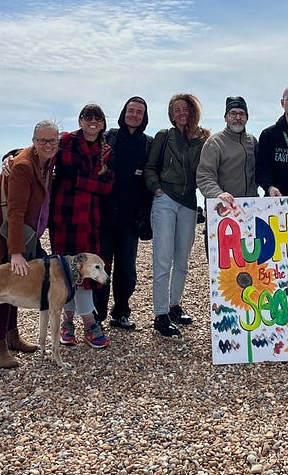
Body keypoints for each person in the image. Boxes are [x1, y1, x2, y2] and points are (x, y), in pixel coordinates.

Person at [0, 120, 59, 368]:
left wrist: (11, 153)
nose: (48, 145)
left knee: (13, 285)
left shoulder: (46, 160)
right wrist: (16, 252)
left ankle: (12, 336)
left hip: (16, 235)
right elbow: (15, 213)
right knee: (1, 290)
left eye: (53, 140)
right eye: (42, 140)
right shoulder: (23, 167)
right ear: (34, 141)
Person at [144, 93, 210, 338]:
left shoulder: (202, 138)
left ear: (193, 111)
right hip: (166, 199)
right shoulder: (164, 136)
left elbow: (206, 169)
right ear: (171, 114)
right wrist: (156, 188)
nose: (181, 113)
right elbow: (150, 167)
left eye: (185, 109)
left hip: (189, 202)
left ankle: (174, 306)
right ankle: (160, 314)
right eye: (176, 110)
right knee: (162, 258)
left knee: (182, 259)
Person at [51, 103, 114, 350]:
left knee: (86, 273)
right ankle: (75, 324)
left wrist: (76, 178)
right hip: (63, 218)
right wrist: (9, 157)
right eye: (88, 117)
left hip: (89, 219)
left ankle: (81, 323)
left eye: (97, 118)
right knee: (66, 272)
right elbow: (38, 150)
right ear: (80, 120)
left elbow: (107, 186)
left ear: (102, 123)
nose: (92, 122)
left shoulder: (107, 150)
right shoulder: (65, 141)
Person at [99, 96, 153, 330]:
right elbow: (72, 144)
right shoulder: (107, 137)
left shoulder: (148, 144)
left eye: (139, 112)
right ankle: (97, 316)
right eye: (131, 111)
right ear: (124, 112)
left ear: (144, 117)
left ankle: (121, 311)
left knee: (127, 271)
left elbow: (153, 175)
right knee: (100, 268)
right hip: (103, 215)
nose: (134, 115)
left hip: (131, 219)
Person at [197, 96, 258, 207]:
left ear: (247, 118)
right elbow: (204, 176)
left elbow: (260, 172)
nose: (238, 117)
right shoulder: (215, 142)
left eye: (242, 114)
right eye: (233, 113)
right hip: (223, 206)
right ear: (225, 117)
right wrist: (217, 194)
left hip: (250, 206)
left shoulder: (252, 141)